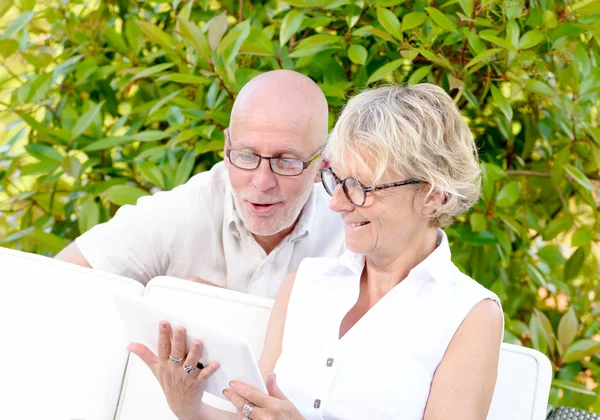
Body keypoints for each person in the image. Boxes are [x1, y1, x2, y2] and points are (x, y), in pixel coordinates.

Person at [128, 83, 504, 419]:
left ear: (432, 195)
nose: (337, 203)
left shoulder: (469, 315)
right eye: (336, 180)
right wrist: (189, 405)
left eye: (360, 187)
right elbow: (252, 415)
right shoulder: (305, 283)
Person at [55, 70, 345, 298]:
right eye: (246, 155)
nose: (262, 181)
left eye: (286, 161)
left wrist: (222, 313)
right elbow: (55, 281)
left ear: (323, 164)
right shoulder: (183, 212)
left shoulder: (351, 227)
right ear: (225, 148)